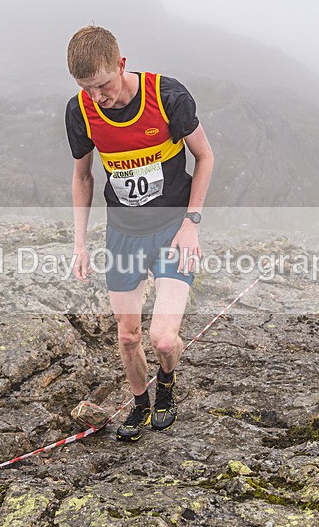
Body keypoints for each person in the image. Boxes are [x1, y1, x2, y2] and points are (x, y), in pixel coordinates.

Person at [65, 26, 214, 442]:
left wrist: (192, 223)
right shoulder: (80, 111)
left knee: (163, 339)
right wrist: (80, 242)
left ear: (121, 65)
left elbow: (204, 157)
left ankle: (166, 384)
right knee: (128, 335)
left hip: (172, 230)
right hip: (123, 235)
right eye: (85, 88)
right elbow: (83, 177)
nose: (97, 96)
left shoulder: (168, 97)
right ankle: (140, 405)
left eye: (103, 85)